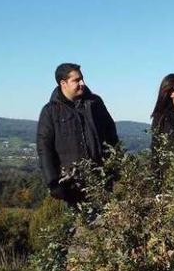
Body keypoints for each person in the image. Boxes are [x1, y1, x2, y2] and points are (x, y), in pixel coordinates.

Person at [36, 63, 119, 206]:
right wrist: (53, 183)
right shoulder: (50, 112)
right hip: (71, 187)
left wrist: (115, 167)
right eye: (77, 80)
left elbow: (111, 135)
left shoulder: (95, 103)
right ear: (63, 83)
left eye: (82, 79)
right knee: (80, 226)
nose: (82, 83)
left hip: (101, 180)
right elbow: (45, 148)